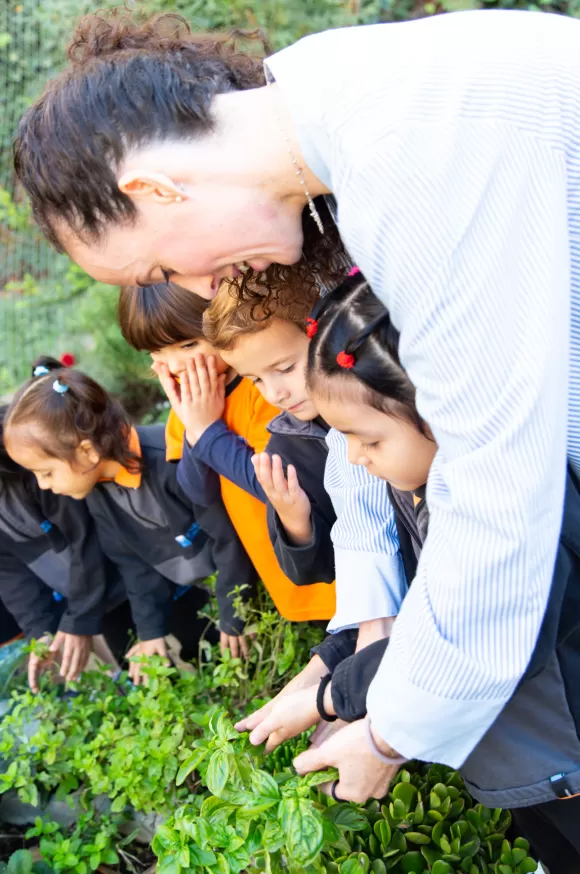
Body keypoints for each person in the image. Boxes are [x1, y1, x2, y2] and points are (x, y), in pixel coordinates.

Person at [15, 7, 580, 800]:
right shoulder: (324, 118)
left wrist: (389, 730)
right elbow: (357, 445)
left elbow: (494, 486)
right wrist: (370, 619)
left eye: (157, 271)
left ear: (155, 189)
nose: (199, 291)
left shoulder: (407, 158)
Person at [3, 360, 255, 684]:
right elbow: (133, 563)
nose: (42, 486)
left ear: (87, 451)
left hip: (245, 589)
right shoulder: (97, 492)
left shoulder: (169, 459)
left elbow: (229, 539)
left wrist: (234, 616)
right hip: (208, 590)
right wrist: (150, 633)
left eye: (46, 473)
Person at [118, 282, 338, 626]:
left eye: (188, 345)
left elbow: (279, 485)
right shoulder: (187, 407)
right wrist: (195, 427)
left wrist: (208, 431)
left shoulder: (268, 387)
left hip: (334, 565)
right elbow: (199, 492)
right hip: (289, 580)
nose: (174, 365)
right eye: (156, 352)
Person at [0, 392, 129, 691]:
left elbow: (87, 538)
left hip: (133, 574)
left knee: (181, 645)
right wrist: (40, 631)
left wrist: (79, 620)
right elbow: (11, 575)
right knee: (134, 669)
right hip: (96, 598)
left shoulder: (29, 462)